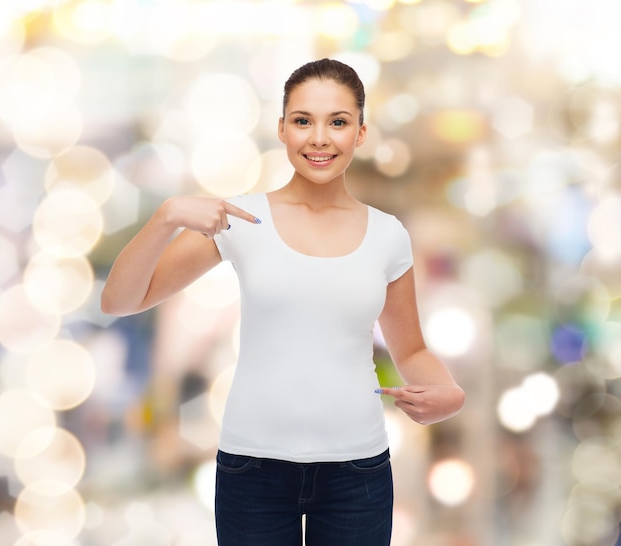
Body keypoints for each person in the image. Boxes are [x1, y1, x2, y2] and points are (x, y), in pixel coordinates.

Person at [101, 58, 465, 546]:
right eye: (303, 121)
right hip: (253, 470)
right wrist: (166, 218)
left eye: (337, 122)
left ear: (359, 133)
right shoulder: (240, 219)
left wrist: (448, 392)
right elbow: (120, 301)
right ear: (282, 129)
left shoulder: (387, 236)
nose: (319, 138)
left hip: (357, 472)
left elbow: (412, 351)